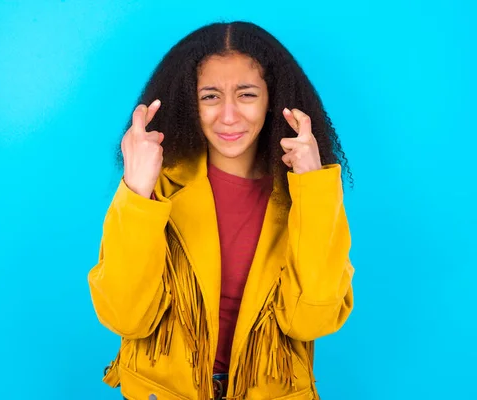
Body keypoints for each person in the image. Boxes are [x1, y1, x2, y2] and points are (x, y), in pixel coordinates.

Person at [87, 20, 355, 400]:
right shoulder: (155, 186)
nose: (229, 116)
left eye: (246, 95)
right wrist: (136, 190)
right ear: (189, 103)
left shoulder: (307, 194)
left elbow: (311, 320)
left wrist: (313, 186)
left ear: (273, 99)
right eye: (210, 97)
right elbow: (125, 316)